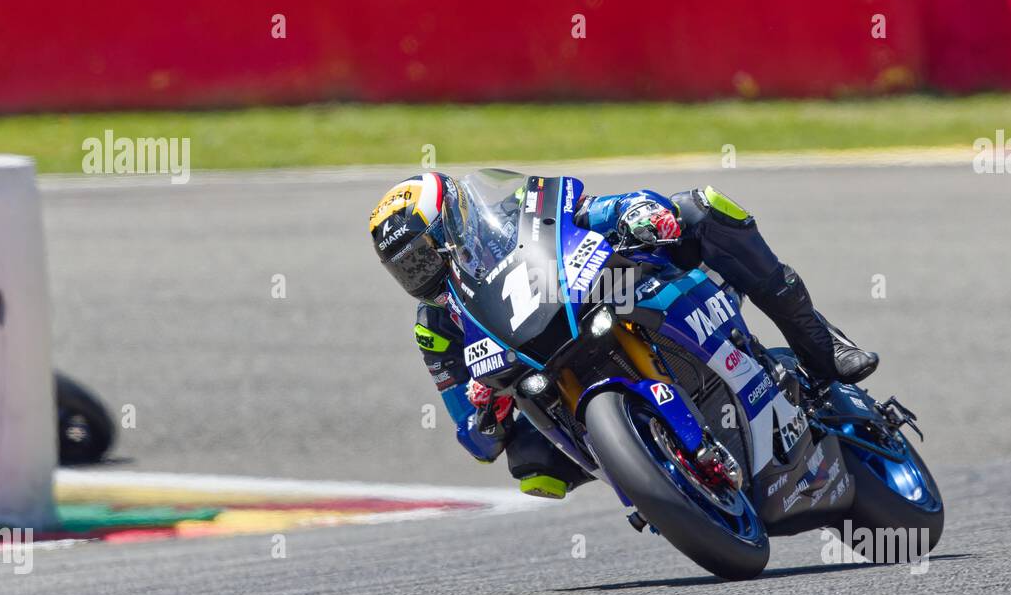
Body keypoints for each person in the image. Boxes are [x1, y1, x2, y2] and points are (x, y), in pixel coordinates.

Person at [370, 172, 877, 499]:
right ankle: (650, 478)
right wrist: (486, 410)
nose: (419, 276)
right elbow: (474, 441)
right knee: (531, 466)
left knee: (702, 208)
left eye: (421, 257)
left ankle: (821, 343)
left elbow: (601, 209)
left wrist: (638, 212)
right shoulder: (434, 328)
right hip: (546, 381)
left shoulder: (518, 212)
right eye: (405, 270)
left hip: (598, 300)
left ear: (451, 229)